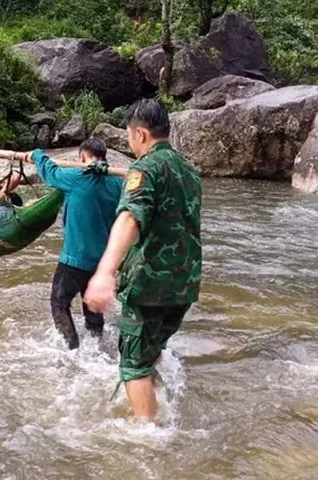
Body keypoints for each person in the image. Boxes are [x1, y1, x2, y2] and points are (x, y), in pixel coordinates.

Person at [84, 99, 202, 422]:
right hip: (185, 287)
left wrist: (105, 272)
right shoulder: (190, 171)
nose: (129, 142)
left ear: (141, 134)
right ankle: (159, 401)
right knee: (152, 347)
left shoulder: (145, 168)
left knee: (133, 362)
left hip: (151, 285)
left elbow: (128, 219)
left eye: (129, 136)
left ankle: (149, 438)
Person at [24, 138, 123, 349]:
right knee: (93, 304)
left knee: (59, 302)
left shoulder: (76, 178)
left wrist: (37, 154)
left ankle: (72, 348)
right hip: (102, 262)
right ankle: (97, 343)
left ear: (82, 157)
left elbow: (50, 173)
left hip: (75, 259)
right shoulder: (117, 185)